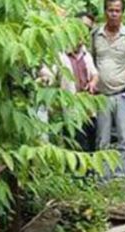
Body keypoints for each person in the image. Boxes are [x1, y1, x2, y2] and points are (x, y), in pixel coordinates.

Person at [91, 0, 125, 179]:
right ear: (105, 12)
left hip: (122, 94)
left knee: (124, 138)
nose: (114, 14)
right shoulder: (95, 34)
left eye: (117, 11)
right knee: (102, 139)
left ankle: (120, 175)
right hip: (101, 96)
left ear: (122, 13)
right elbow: (90, 59)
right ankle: (103, 176)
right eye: (110, 10)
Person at [38, 12, 99, 151]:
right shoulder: (60, 54)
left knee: (91, 146)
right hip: (71, 111)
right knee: (76, 147)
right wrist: (42, 75)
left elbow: (95, 74)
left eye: (87, 29)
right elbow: (49, 75)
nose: (83, 32)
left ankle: (89, 172)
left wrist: (93, 82)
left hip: (89, 110)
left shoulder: (86, 54)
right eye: (81, 27)